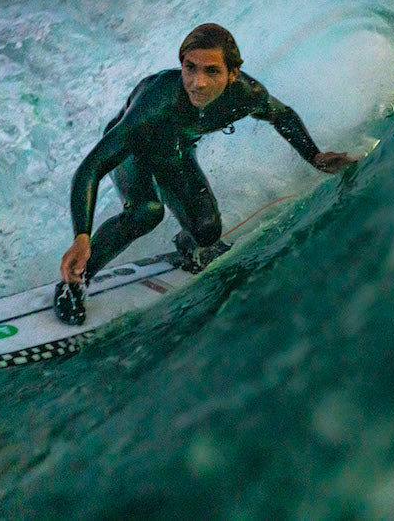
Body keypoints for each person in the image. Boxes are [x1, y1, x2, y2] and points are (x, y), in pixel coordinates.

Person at [54, 23, 355, 324]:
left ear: (232, 74)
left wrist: (314, 156)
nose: (197, 82)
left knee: (207, 232)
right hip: (134, 153)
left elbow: (282, 115)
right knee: (146, 212)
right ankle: (74, 282)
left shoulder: (246, 96)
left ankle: (187, 245)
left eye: (212, 71)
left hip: (175, 153)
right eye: (190, 68)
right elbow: (90, 167)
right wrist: (81, 236)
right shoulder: (157, 101)